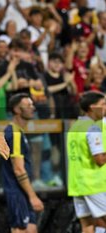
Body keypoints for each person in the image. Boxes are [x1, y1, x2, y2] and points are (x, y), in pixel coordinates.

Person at [0, 93, 44, 233]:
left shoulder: (18, 131)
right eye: (28, 105)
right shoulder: (14, 133)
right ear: (17, 110)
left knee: (31, 229)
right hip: (16, 192)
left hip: (21, 191)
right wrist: (33, 196)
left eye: (32, 104)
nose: (33, 108)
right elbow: (18, 169)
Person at [67, 91, 106, 233]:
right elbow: (100, 159)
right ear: (92, 107)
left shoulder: (75, 126)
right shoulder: (93, 128)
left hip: (77, 184)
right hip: (93, 184)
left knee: (88, 225)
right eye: (103, 104)